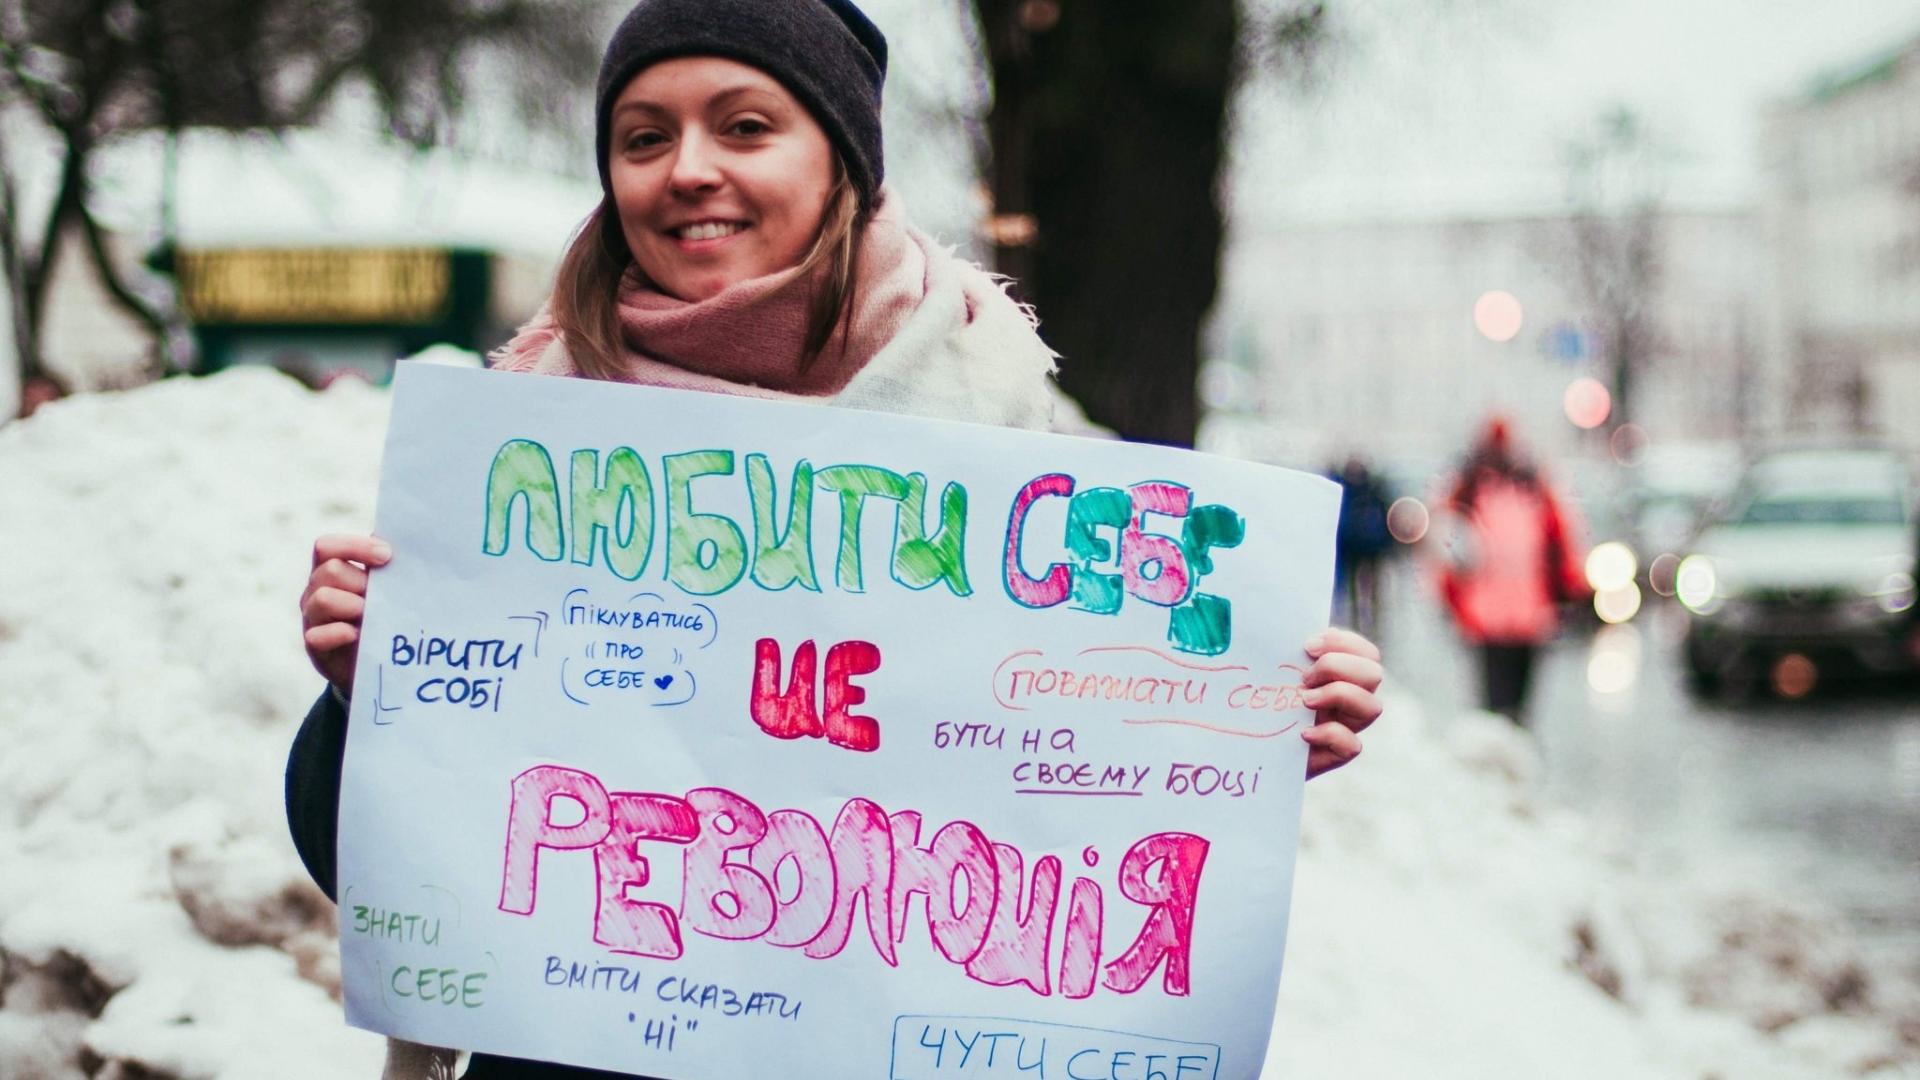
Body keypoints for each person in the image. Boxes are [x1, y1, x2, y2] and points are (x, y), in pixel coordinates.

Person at [289, 2, 1387, 1075]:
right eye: (644, 138)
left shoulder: (1004, 453)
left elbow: (1066, 824)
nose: (687, 170)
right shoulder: (522, 458)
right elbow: (380, 872)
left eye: (745, 126)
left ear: (843, 163)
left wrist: (1240, 732)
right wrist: (373, 696)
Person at [1437, 416, 1584, 724]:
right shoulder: (1470, 489)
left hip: (1525, 614)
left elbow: (1559, 542)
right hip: (1488, 617)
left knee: (1516, 702)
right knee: (1496, 702)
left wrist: (1570, 588)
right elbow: (1448, 548)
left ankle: (1511, 741)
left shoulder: (1531, 488)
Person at [1328, 454, 1393, 639]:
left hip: (1366, 546)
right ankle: (1361, 624)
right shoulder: (1371, 489)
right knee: (1358, 589)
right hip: (1357, 546)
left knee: (1371, 587)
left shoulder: (1357, 490)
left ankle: (1369, 622)